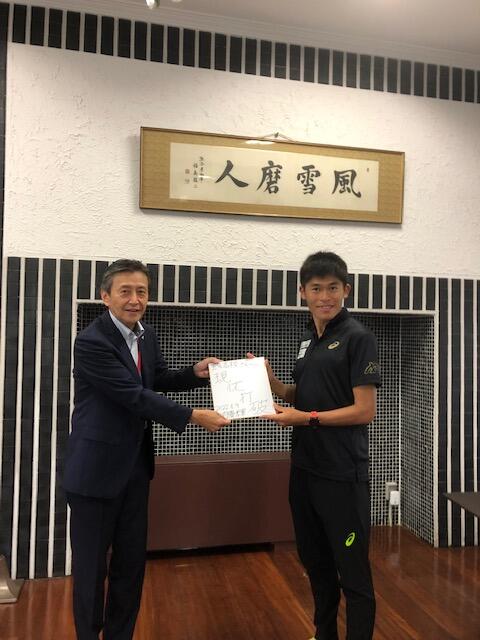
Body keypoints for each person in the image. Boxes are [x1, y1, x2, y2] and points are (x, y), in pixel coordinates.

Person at [63, 259, 229, 640]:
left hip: (136, 470)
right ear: (105, 296)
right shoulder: (91, 342)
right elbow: (132, 395)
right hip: (94, 474)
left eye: (142, 292)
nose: (134, 300)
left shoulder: (146, 336)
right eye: (125, 291)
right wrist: (192, 416)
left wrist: (195, 373)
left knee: (131, 565)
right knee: (91, 571)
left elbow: (156, 379)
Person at [261, 251, 381, 640]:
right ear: (302, 292)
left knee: (353, 573)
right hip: (305, 470)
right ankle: (324, 633)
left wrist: (306, 418)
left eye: (332, 288)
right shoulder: (308, 339)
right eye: (316, 289)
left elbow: (364, 410)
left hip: (342, 474)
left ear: (346, 290)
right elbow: (305, 393)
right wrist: (274, 385)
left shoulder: (358, 338)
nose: (324, 297)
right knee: (315, 563)